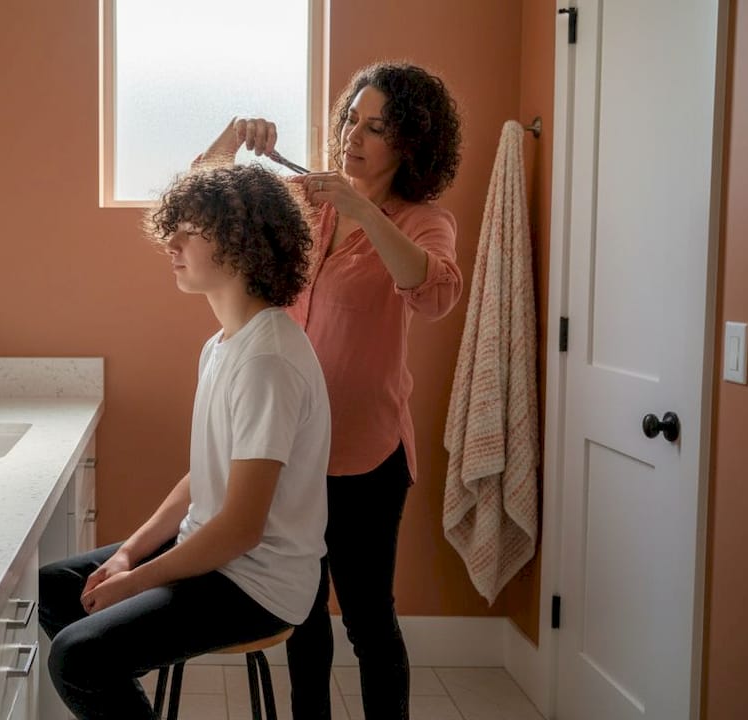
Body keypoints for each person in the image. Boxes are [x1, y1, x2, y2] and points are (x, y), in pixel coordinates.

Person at [199, 61, 464, 719]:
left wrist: (365, 213)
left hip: (366, 456)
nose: (354, 135)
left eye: (376, 127)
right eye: (352, 118)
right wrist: (231, 140)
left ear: (409, 145)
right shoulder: (302, 200)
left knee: (369, 620)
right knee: (302, 610)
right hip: (287, 451)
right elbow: (202, 212)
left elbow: (434, 293)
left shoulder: (424, 221)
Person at [38, 164, 332, 719]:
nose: (171, 242)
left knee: (76, 660)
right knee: (53, 588)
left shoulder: (267, 360)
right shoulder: (224, 345)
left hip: (257, 584)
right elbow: (204, 479)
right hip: (218, 554)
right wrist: (128, 552)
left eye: (190, 230)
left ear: (242, 244)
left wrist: (133, 584)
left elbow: (242, 529)